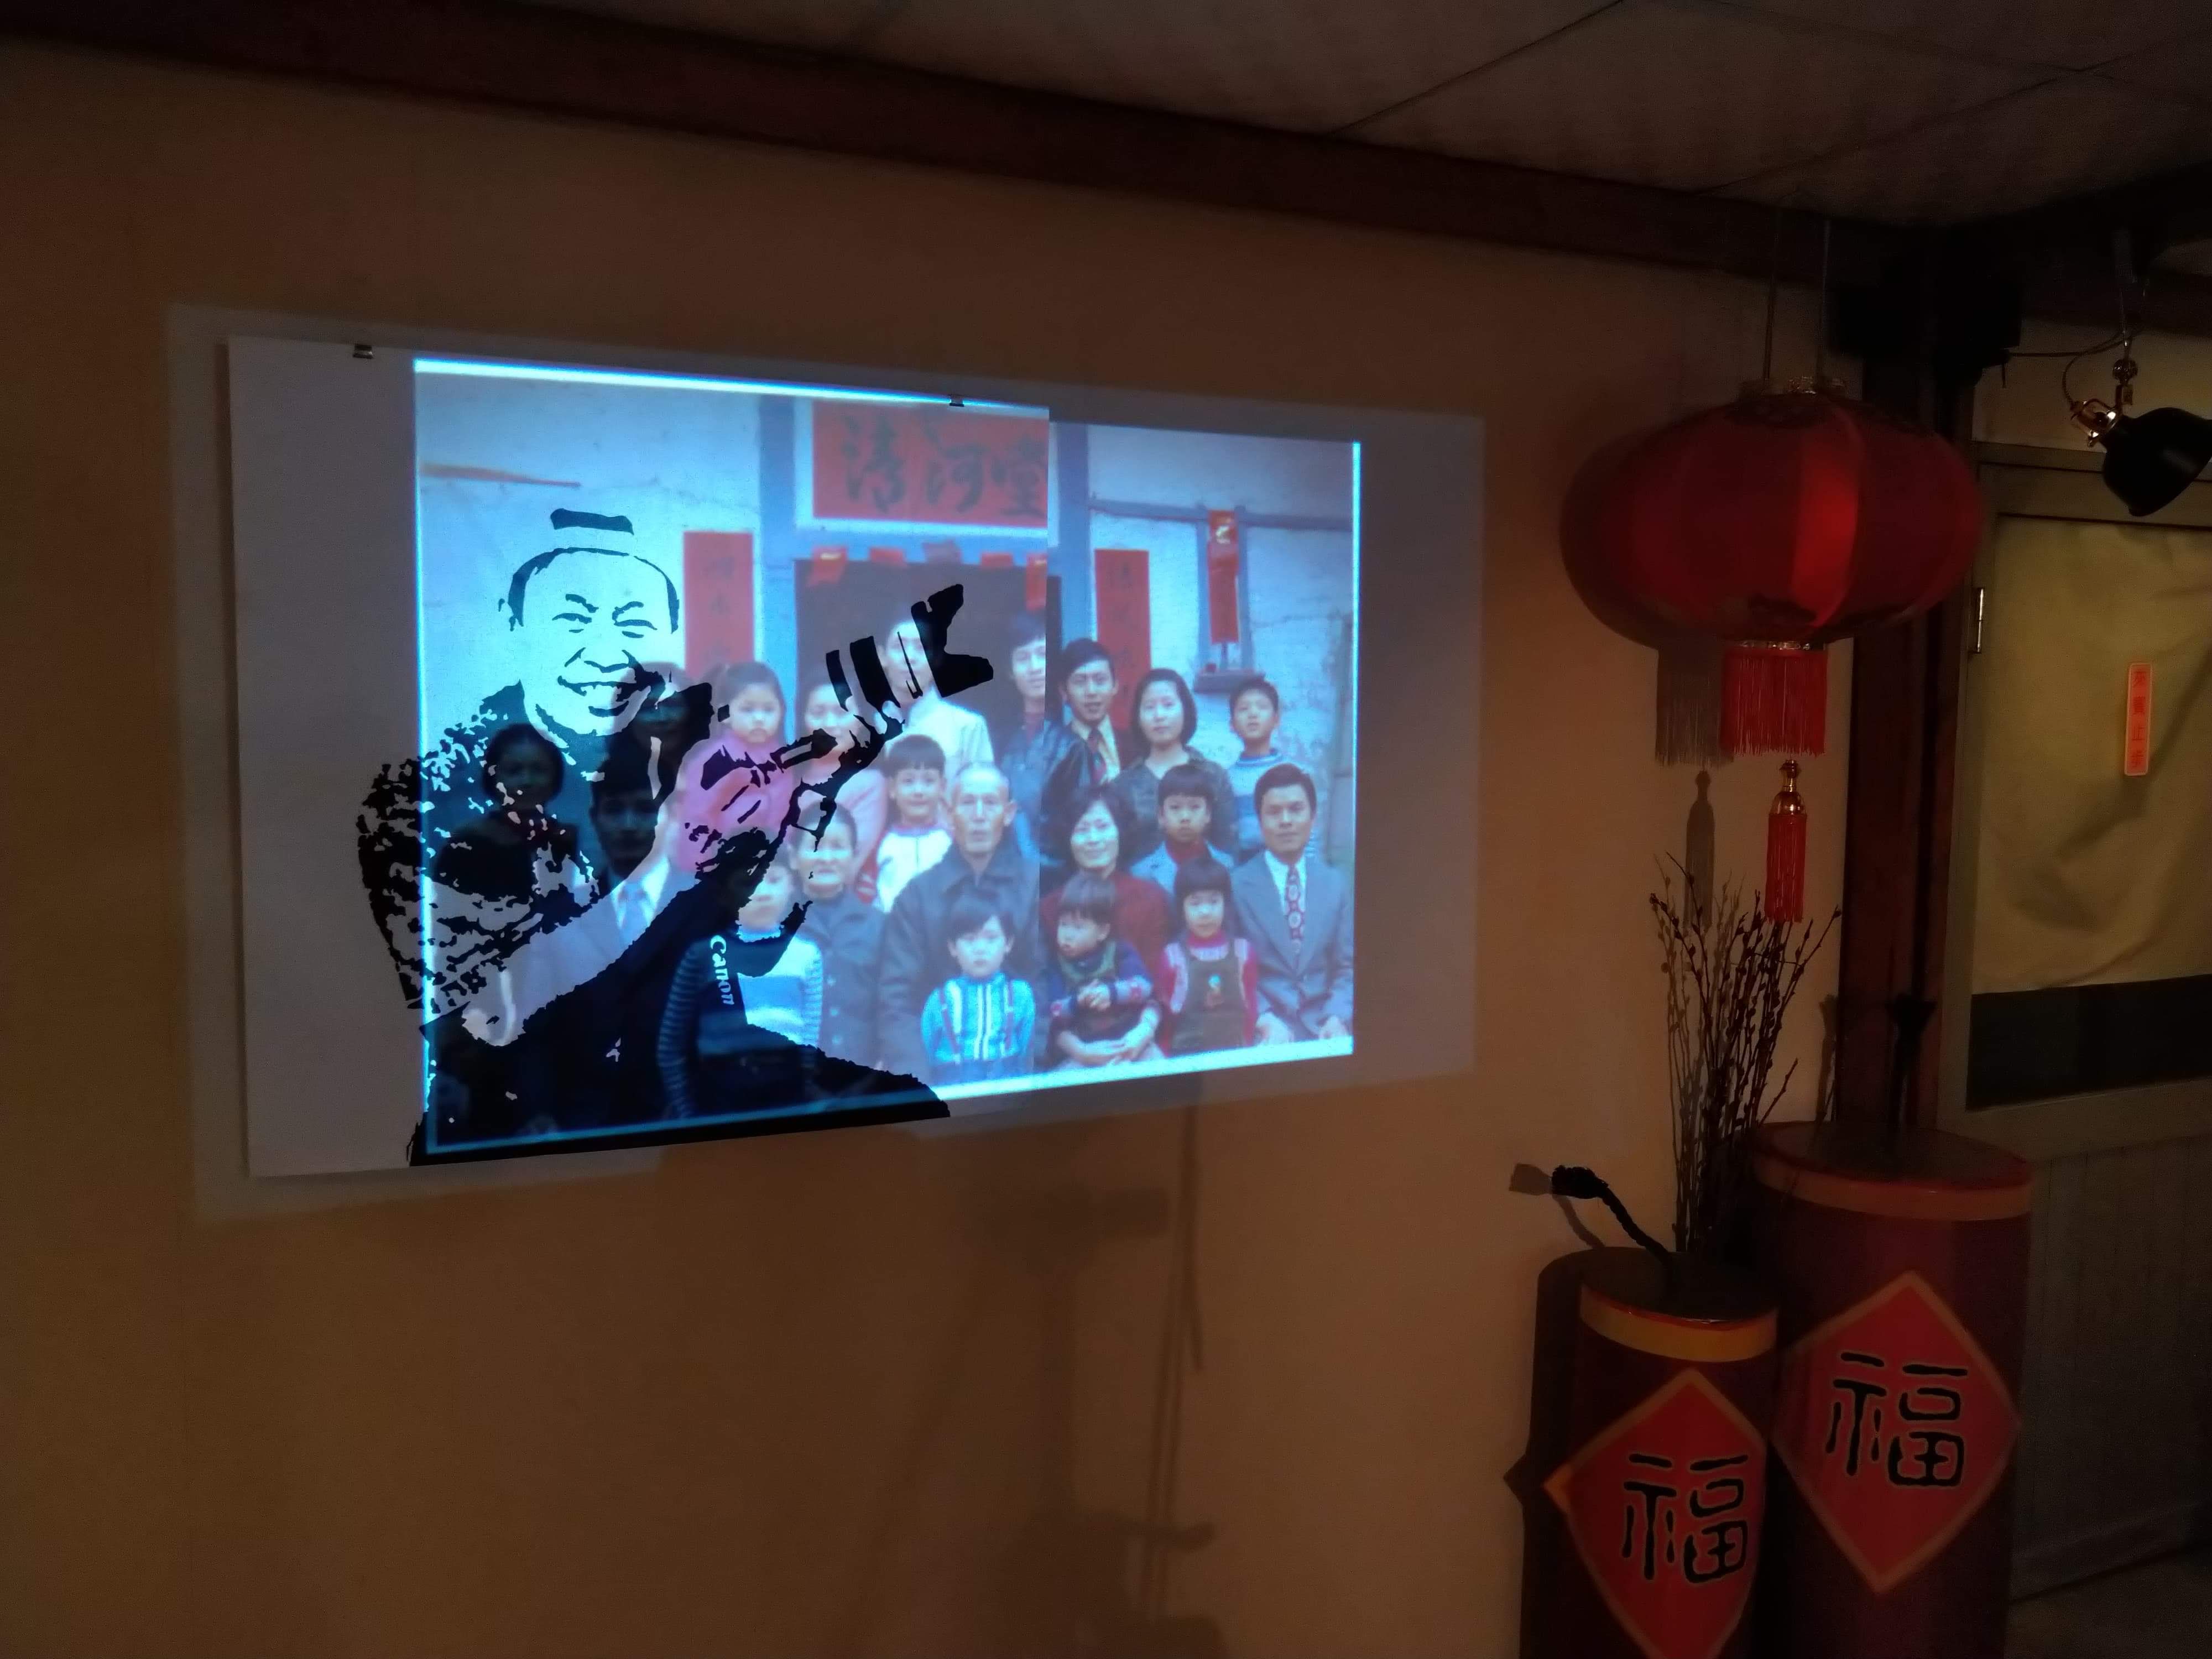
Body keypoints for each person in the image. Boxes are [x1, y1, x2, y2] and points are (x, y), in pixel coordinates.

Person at [878, 762, 1042, 1078]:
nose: (979, 815)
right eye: (967, 803)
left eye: (991, 803)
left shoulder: (1034, 885)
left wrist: (1030, 1082)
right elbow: (898, 1002)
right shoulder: (917, 897)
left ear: (1009, 813)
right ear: (948, 812)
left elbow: (1043, 985)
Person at [656, 854, 825, 1119]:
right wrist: (686, 1111)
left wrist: (807, 1092)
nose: (762, 892)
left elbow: (810, 1037)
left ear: (792, 886)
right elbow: (670, 1043)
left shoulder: (806, 954)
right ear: (725, 894)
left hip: (787, 1093)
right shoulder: (702, 954)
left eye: (773, 880)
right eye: (747, 882)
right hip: (719, 1093)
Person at [1229, 764, 1353, 1044]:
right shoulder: (1237, 886)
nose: (1286, 821)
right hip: (1265, 1029)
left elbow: (1347, 967)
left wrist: (1336, 1017)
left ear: (1313, 818)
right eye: (1274, 812)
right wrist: (1263, 1019)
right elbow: (1229, 968)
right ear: (1260, 821)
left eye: (1296, 809)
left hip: (1325, 1026)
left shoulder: (1334, 884)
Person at [1039, 785, 1174, 988]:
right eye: (1082, 830)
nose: (1093, 839)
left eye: (1103, 827)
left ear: (1120, 832)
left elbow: (1156, 976)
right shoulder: (1050, 907)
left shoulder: (1150, 899)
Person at [1112, 667, 1237, 864]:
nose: (1159, 716)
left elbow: (1228, 847)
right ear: (1138, 717)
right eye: (1149, 708)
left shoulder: (1213, 775)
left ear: (1186, 710)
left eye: (1168, 705)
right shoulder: (1124, 786)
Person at [1043, 873, 1161, 1069]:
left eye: (1078, 927)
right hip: (1084, 1051)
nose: (1067, 935)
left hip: (1130, 1042)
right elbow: (1053, 1011)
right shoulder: (1056, 965)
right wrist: (1078, 1002)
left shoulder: (1119, 952)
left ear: (1102, 932)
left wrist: (1111, 993)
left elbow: (1144, 987)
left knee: (1157, 1065)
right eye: (1063, 925)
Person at [796, 812, 884, 1070]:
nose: (826, 858)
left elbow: (893, 1007)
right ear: (792, 857)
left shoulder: (879, 926)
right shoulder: (776, 928)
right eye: (815, 846)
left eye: (838, 847)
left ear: (854, 856)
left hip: (866, 1077)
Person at [920, 893, 1037, 1086]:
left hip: (1008, 1089)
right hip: (953, 1092)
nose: (980, 949)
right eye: (970, 939)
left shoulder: (1020, 995)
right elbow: (925, 1056)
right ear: (953, 947)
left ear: (1008, 944)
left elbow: (1028, 1054)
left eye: (991, 938)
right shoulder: (940, 1000)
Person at [996, 612, 1079, 870]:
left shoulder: (1071, 746)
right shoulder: (998, 740)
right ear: (1010, 671)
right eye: (1023, 658)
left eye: (1042, 655)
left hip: (1055, 876)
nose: (1034, 667)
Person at [1037, 638, 1125, 878]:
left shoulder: (1138, 745)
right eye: (1080, 682)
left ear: (1115, 686)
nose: (1091, 692)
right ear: (1063, 692)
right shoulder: (1054, 753)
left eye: (1100, 680)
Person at [884, 604, 993, 794]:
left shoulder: (967, 726)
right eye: (899, 647)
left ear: (937, 659)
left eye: (921, 648)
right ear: (882, 657)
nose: (909, 657)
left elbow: (984, 795)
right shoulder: (863, 726)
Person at [1157, 856, 1259, 1055]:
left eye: (1214, 902)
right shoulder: (1172, 957)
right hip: (1186, 1058)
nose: (1205, 912)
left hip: (1236, 1054)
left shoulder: (1243, 952)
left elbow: (1251, 1008)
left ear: (1226, 904)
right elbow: (1166, 1017)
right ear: (1182, 908)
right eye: (1195, 904)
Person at [1222, 675, 1323, 865]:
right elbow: (1226, 837)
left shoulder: (1296, 774)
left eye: (1262, 707)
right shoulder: (1227, 779)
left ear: (1276, 720)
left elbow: (1309, 831)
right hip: (1246, 866)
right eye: (1244, 709)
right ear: (1232, 725)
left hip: (1291, 863)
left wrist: (1310, 869)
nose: (1253, 714)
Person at [796, 677, 887, 881]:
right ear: (803, 718)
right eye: (818, 713)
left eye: (842, 712)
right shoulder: (788, 778)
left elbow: (850, 865)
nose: (830, 723)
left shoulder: (871, 783)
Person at [872, 733, 953, 914]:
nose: (918, 791)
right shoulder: (882, 843)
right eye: (908, 782)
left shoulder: (951, 841)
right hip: (892, 925)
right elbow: (869, 895)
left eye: (929, 781)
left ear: (942, 787)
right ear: (892, 789)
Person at [1129, 761, 1227, 899]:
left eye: (1195, 807)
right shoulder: (1141, 874)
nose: (1185, 817)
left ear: (1208, 814)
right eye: (1175, 808)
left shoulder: (1227, 865)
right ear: (1161, 815)